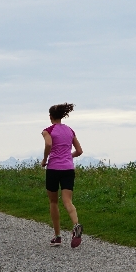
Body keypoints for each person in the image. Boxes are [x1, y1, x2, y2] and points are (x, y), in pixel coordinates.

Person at [41, 103, 84, 247]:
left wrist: (45, 159)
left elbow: (48, 145)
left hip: (53, 168)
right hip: (68, 169)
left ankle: (58, 236)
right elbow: (79, 151)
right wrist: (68, 156)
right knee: (68, 201)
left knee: (53, 202)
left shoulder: (48, 130)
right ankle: (76, 225)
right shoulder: (70, 130)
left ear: (50, 117)